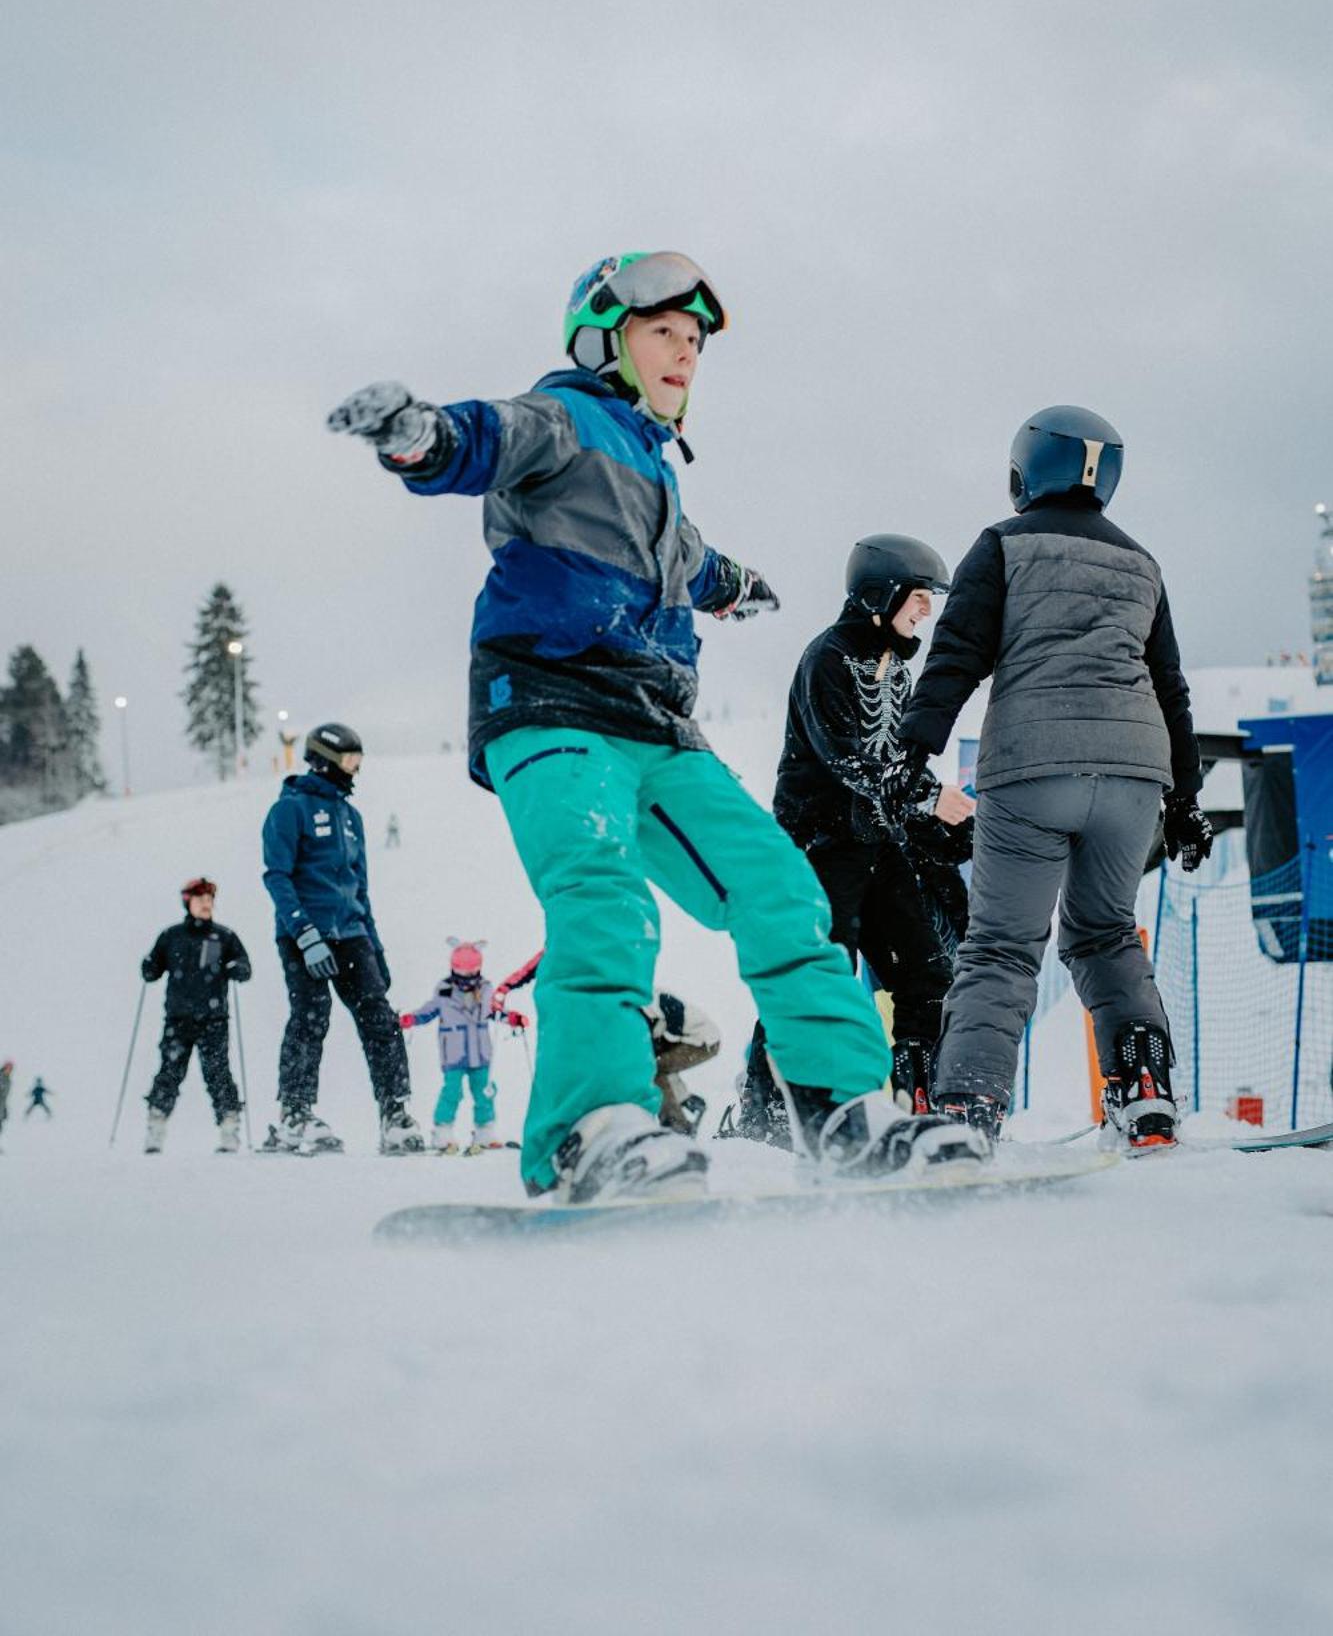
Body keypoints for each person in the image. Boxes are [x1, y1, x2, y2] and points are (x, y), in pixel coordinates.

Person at [327, 250, 988, 1203]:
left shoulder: (656, 470)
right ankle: (589, 1127)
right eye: (663, 334)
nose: (684, 355)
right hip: (550, 705)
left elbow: (688, 560)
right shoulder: (562, 420)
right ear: (607, 340)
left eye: (693, 342)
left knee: (778, 889)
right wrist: (417, 436)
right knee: (603, 900)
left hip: (655, 728)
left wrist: (734, 586)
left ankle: (841, 1109)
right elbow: (480, 441)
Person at [889, 405, 1213, 1151]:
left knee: (1001, 944)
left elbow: (957, 655)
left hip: (1032, 767)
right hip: (1133, 776)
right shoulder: (1141, 563)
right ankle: (1143, 1092)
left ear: (1026, 469)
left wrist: (913, 749)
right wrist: (1186, 798)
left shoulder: (1002, 545)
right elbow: (1170, 687)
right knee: (1105, 934)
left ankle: (968, 1107)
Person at [735, 534, 977, 1145]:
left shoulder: (896, 667)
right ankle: (766, 1116)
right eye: (919, 598)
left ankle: (914, 1100)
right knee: (817, 975)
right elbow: (849, 759)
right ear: (881, 594)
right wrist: (928, 797)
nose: (926, 611)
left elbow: (896, 763)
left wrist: (945, 824)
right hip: (819, 848)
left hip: (879, 844)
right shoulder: (830, 658)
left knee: (928, 974)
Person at [261, 723, 423, 1155]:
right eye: (351, 760)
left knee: (380, 1019)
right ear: (328, 759)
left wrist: (376, 948)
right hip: (304, 934)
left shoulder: (352, 818)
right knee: (311, 1015)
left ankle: (395, 1115)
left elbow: (360, 888)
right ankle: (295, 1114)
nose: (356, 769)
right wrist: (304, 933)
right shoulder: (289, 810)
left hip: (351, 933)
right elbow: (277, 876)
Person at [492, 950, 722, 1137]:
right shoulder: (627, 1003)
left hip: (703, 1041)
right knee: (653, 1065)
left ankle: (676, 1125)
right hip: (689, 1038)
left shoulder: (640, 999)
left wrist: (669, 1037)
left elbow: (674, 1010)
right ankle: (684, 1104)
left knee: (654, 1068)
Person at [140, 876, 250, 1153]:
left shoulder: (224, 936)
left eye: (210, 900)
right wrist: (149, 967)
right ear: (188, 902)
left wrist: (238, 967)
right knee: (169, 1072)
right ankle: (155, 1127)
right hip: (178, 1018)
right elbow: (152, 969)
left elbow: (245, 967)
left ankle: (229, 1127)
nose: (207, 904)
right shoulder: (171, 936)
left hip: (213, 1019)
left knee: (217, 1073)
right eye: (201, 899)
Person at [401, 941, 511, 1153]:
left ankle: (485, 1131)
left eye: (471, 974)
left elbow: (495, 1010)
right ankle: (442, 1132)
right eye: (462, 974)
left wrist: (511, 1018)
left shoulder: (486, 989)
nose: (466, 980)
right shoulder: (445, 990)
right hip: (454, 1051)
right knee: (452, 1091)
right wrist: (411, 1019)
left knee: (485, 1091)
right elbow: (429, 1010)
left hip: (480, 1052)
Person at [0, 1059, 12, 1144]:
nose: (9, 1070)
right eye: (7, 1068)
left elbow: (4, 1097)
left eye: (10, 1069)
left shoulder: (8, 1080)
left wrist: (5, 1109)